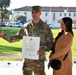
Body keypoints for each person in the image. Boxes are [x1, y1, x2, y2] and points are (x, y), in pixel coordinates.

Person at [0, 6, 54, 75]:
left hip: (39, 59)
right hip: (27, 59)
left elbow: (50, 43)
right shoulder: (26, 27)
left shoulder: (45, 27)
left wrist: (43, 49)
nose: (34, 14)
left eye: (36, 12)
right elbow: (16, 37)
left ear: (40, 13)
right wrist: (4, 36)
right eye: (32, 12)